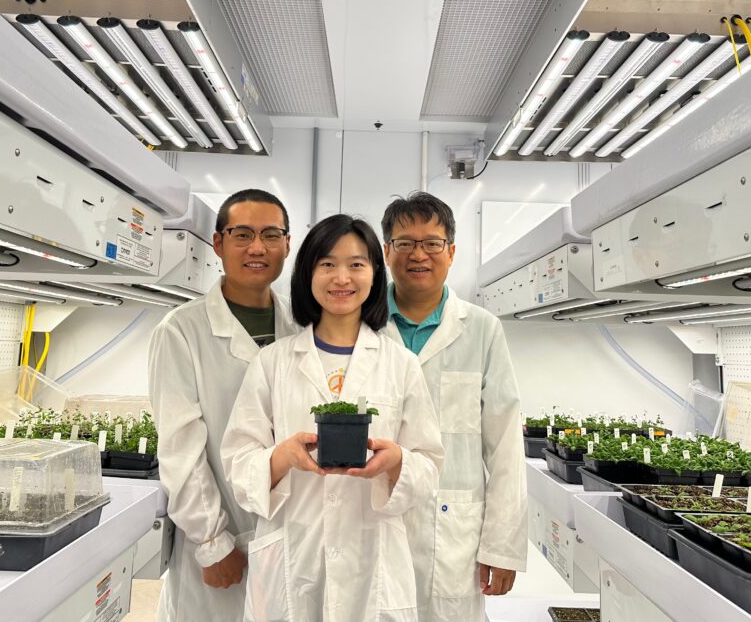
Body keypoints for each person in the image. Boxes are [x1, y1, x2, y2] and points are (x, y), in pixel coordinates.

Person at [221, 214, 444, 622]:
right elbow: (237, 459)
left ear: (376, 273)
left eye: (356, 264)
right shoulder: (273, 363)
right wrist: (283, 456)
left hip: (374, 561)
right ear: (308, 273)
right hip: (294, 556)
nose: (342, 277)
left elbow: (429, 464)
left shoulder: (402, 365)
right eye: (327, 264)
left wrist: (397, 462)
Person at [148, 189, 296, 622]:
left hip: (289, 539)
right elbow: (181, 447)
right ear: (218, 243)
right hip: (219, 541)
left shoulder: (301, 326)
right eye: (242, 234)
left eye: (271, 235)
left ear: (288, 245)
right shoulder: (181, 331)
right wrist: (212, 542)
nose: (257, 247)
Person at [381, 192, 527, 622]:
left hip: (453, 531)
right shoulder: (362, 325)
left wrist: (502, 546)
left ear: (451, 252)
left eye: (432, 242)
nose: (418, 254)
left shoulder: (481, 329)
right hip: (373, 518)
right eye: (405, 243)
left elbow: (504, 444)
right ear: (387, 251)